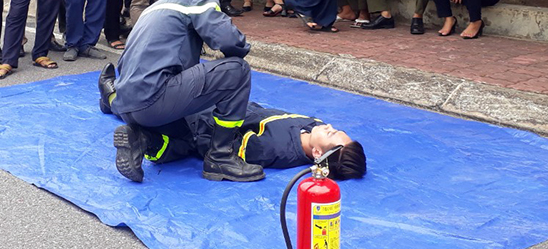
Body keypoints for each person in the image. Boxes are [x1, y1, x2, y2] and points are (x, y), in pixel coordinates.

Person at [98, 0, 264, 183]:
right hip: (154, 100)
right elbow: (230, 42)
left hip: (128, 104)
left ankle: (141, 139)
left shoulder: (158, 5)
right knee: (238, 70)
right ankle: (220, 158)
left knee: (189, 138)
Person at [98, 93, 367, 179]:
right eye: (336, 129)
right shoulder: (313, 127)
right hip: (220, 107)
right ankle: (135, 128)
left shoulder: (274, 149)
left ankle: (113, 100)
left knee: (154, 113)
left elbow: (222, 145)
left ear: (319, 155)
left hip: (201, 122)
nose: (329, 126)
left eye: (331, 135)